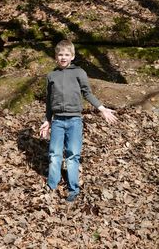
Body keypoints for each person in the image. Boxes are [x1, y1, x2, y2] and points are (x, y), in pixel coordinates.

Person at [40, 40, 117, 202]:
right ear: (55, 56)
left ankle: (73, 189)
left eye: (67, 55)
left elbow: (87, 93)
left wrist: (101, 108)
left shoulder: (79, 73)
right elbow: (49, 101)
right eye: (60, 54)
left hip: (75, 120)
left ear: (72, 56)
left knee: (72, 156)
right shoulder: (51, 76)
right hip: (58, 121)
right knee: (54, 154)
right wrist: (47, 121)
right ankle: (52, 187)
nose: (63, 57)